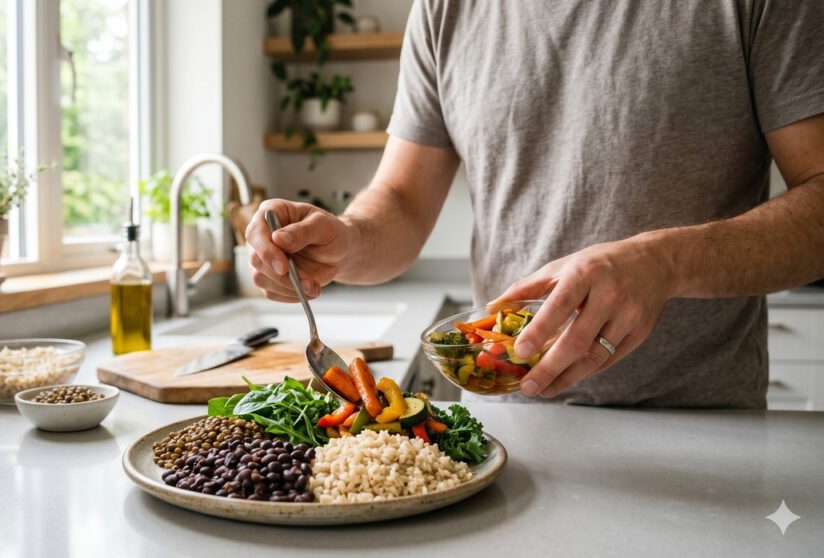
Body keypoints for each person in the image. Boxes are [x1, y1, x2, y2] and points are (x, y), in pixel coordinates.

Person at [246, 0, 824, 408]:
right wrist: (343, 241)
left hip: (703, 433)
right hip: (514, 428)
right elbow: (399, 200)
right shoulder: (446, 9)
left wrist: (665, 261)